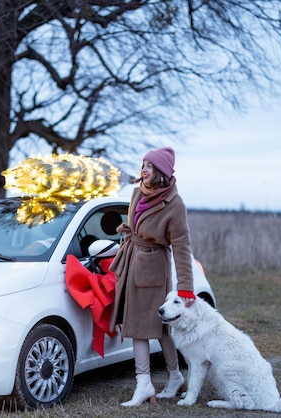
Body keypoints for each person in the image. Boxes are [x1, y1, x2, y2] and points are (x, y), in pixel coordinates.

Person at [109, 146, 196, 406]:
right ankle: (174, 377)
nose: (143, 170)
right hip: (132, 262)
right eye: (143, 165)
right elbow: (133, 229)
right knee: (152, 328)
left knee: (149, 327)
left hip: (154, 268)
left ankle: (145, 383)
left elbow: (181, 246)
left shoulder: (174, 204)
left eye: (149, 166)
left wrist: (186, 289)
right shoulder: (138, 193)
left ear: (160, 172)